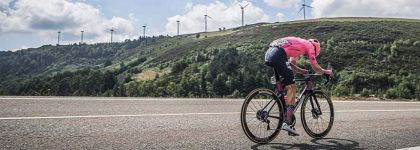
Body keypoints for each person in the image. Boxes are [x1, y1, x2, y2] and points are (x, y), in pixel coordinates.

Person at [264, 37, 332, 136]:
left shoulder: (297, 44)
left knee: (288, 84)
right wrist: (326, 72)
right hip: (278, 54)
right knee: (292, 87)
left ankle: (286, 110)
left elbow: (291, 66)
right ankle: (287, 123)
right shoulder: (310, 46)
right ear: (316, 48)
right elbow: (315, 66)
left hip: (270, 53)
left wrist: (303, 71)